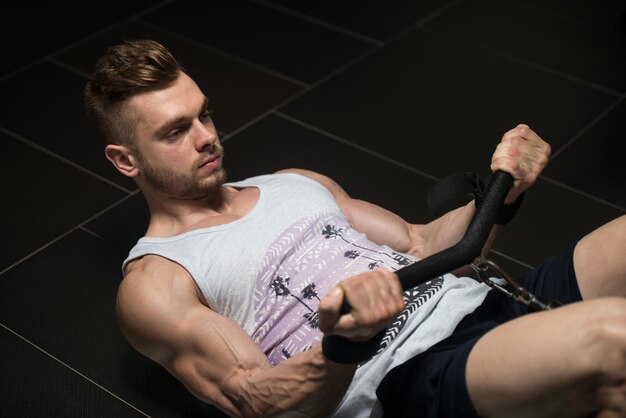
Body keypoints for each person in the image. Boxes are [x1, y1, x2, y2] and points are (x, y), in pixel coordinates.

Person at [84, 39, 626, 418]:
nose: (205, 137)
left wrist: (504, 189)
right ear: (125, 160)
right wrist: (343, 343)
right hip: (417, 375)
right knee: (613, 340)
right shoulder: (157, 282)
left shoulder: (291, 182)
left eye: (204, 115)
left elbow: (428, 245)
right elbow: (252, 399)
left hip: (483, 307)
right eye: (176, 132)